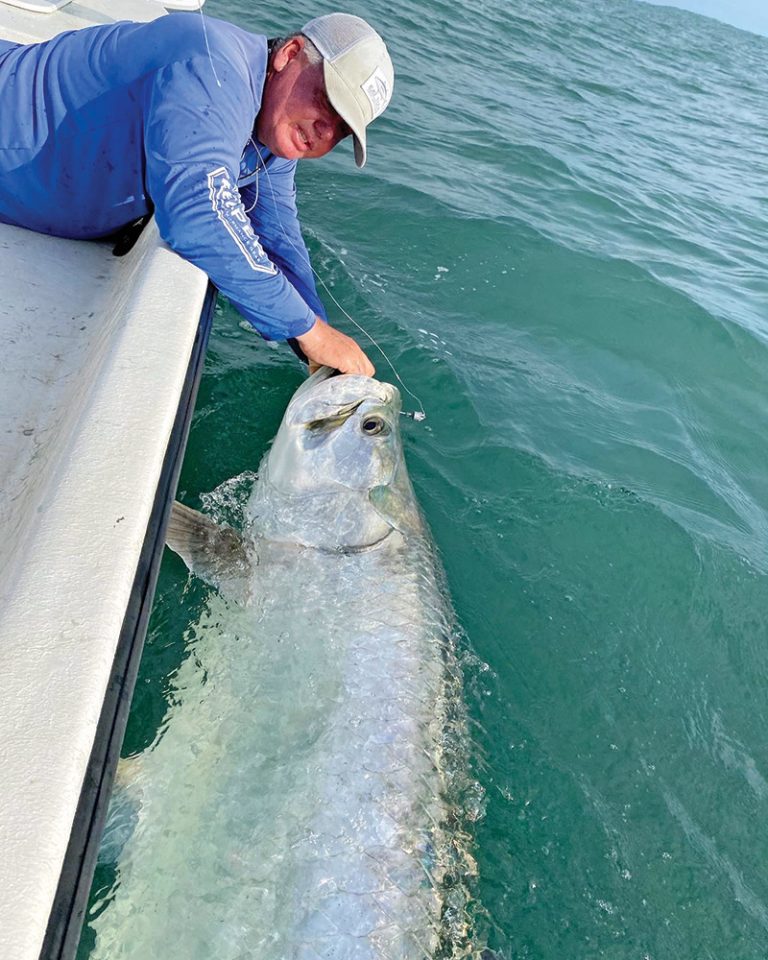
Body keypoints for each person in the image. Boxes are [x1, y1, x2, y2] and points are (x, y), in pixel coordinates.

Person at [0, 11, 395, 375]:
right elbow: (195, 213)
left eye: (342, 129)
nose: (326, 130)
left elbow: (279, 238)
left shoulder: (270, 137)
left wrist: (319, 343)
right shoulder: (211, 66)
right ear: (289, 54)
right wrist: (308, 331)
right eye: (326, 101)